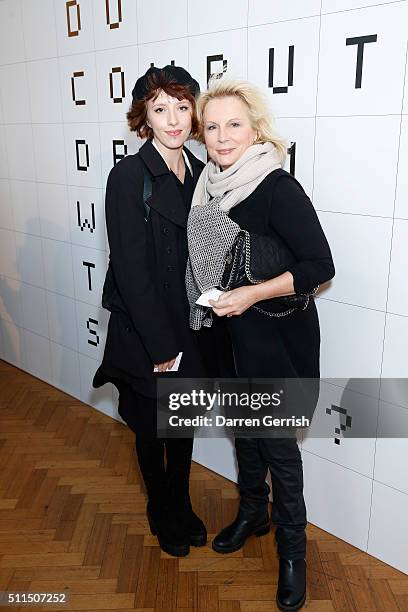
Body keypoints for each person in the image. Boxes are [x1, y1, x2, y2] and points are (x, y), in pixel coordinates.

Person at [186, 77, 335, 610]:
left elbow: (320, 267)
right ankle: (254, 512)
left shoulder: (275, 186)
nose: (222, 138)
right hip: (228, 337)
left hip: (274, 339)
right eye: (212, 126)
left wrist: (251, 294)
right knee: (244, 435)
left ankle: (294, 553)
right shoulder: (207, 185)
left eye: (234, 125)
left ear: (255, 131)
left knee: (277, 449)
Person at [93, 65, 222, 558]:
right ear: (144, 115)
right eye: (161, 108)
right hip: (148, 331)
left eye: (182, 107)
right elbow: (129, 268)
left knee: (182, 422)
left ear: (194, 113)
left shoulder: (202, 173)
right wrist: (162, 346)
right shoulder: (127, 176)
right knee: (150, 426)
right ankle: (160, 505)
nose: (173, 119)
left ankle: (181, 500)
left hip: (190, 324)